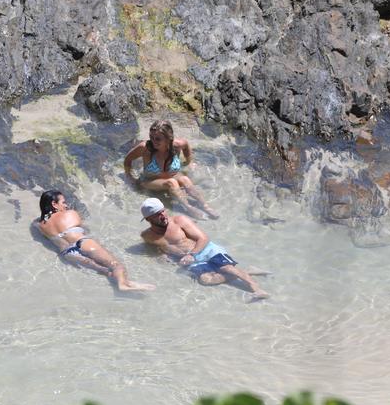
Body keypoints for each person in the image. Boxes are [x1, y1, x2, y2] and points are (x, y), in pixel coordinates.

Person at [139, 198, 269, 301]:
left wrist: (192, 254)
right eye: (157, 214)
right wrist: (163, 257)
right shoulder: (147, 236)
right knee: (205, 280)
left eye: (163, 211)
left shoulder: (179, 220)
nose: (163, 215)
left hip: (205, 250)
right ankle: (248, 271)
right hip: (191, 261)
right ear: (148, 219)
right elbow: (159, 249)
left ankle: (256, 289)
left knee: (227, 268)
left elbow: (203, 238)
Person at [35, 190, 155, 292]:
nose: (66, 205)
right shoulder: (70, 213)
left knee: (103, 270)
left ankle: (126, 282)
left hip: (67, 253)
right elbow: (84, 229)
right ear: (54, 204)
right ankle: (122, 284)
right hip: (82, 243)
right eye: (63, 202)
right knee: (115, 265)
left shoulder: (40, 225)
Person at [123, 120, 218, 220]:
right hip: (148, 181)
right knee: (171, 182)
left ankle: (205, 206)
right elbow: (128, 159)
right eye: (151, 137)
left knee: (185, 179)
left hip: (171, 177)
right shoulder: (145, 148)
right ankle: (189, 208)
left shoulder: (177, 145)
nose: (153, 141)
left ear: (168, 138)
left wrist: (190, 162)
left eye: (158, 139)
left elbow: (186, 146)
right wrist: (129, 175)